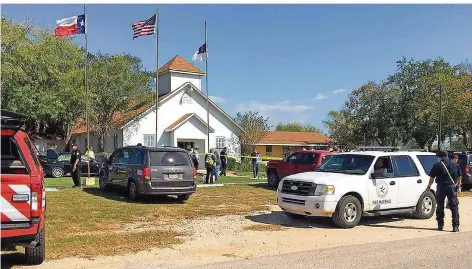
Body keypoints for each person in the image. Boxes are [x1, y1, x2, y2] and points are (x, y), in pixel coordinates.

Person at [426, 151, 461, 232]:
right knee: (454, 206)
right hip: (451, 187)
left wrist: (428, 187)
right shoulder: (455, 165)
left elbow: (432, 178)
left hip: (441, 187)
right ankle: (455, 226)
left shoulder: (437, 165)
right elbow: (459, 176)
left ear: (440, 157)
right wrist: (457, 186)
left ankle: (440, 225)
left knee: (440, 206)